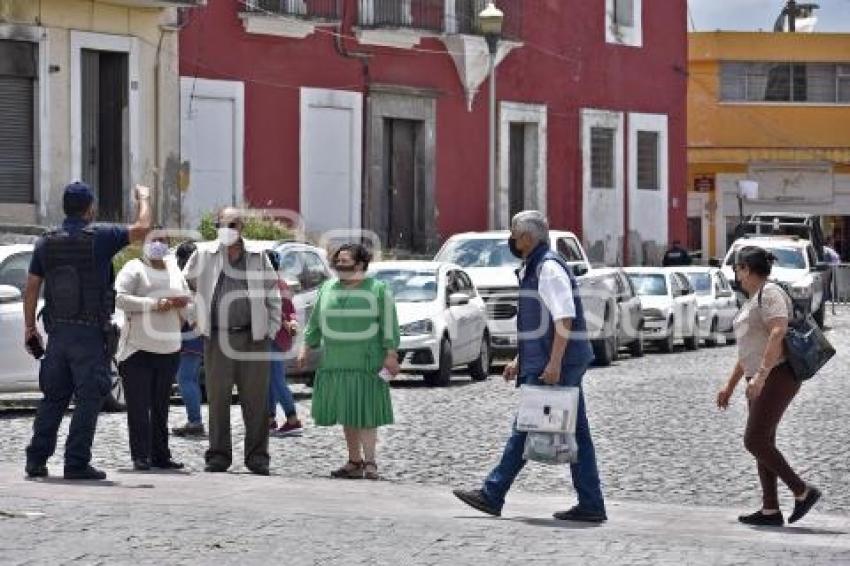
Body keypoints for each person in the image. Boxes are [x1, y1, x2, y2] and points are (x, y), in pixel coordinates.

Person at [453, 210, 607, 522]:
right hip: (554, 360)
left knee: (526, 426)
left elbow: (564, 318)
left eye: (514, 233)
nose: (511, 239)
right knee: (574, 433)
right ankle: (591, 502)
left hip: (560, 363)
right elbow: (541, 325)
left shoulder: (548, 268)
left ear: (527, 237)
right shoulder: (536, 267)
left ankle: (493, 493)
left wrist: (553, 363)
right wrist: (520, 360)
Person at [23, 181, 152, 480]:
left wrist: (30, 328)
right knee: (89, 398)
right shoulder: (102, 237)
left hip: (57, 335)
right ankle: (76, 462)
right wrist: (143, 197)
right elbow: (143, 228)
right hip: (89, 335)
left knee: (53, 398)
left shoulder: (46, 242)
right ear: (90, 208)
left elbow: (31, 288)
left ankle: (36, 460)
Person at [717, 246, 821, 526]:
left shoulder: (771, 293)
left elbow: (778, 332)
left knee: (755, 440)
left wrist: (761, 376)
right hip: (760, 377)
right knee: (764, 441)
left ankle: (802, 491)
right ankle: (770, 509)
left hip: (777, 375)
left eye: (738, 269)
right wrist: (729, 385)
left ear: (747, 269)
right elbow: (747, 351)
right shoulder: (752, 300)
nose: (736, 275)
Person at [182, 208, 281, 476]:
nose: (226, 228)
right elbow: (185, 287)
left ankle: (258, 457)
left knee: (256, 401)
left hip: (252, 337)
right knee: (217, 399)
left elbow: (273, 293)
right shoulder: (203, 254)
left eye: (232, 224)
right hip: (217, 336)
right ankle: (218, 456)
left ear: (242, 227)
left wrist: (270, 330)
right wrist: (194, 317)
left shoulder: (258, 256)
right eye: (221, 224)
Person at [297, 243, 400, 480]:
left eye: (346, 261)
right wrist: (305, 347)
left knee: (366, 414)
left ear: (361, 264)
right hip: (336, 362)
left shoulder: (377, 290)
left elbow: (389, 325)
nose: (341, 266)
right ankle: (354, 461)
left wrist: (391, 354)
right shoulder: (327, 288)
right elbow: (314, 324)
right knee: (347, 413)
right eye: (338, 262)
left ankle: (371, 461)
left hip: (366, 363)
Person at [115, 231, 189, 471]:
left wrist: (188, 310)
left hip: (169, 347)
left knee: (161, 406)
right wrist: (155, 304)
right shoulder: (133, 267)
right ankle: (140, 455)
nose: (158, 245)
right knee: (138, 406)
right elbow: (120, 298)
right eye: (152, 240)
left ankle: (161, 454)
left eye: (163, 240)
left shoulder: (174, 270)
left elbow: (187, 297)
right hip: (138, 349)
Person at [265, 250, 303, 437]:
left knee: (276, 380)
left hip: (272, 337)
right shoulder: (282, 284)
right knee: (271, 380)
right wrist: (291, 322)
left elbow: (276, 311)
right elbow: (291, 311)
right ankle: (270, 420)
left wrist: (287, 322)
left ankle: (292, 419)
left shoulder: (270, 285)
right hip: (279, 338)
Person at [171, 241, 206, 438]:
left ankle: (195, 421)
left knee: (185, 378)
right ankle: (195, 419)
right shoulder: (203, 276)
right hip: (197, 334)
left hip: (190, 334)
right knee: (189, 378)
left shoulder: (186, 278)